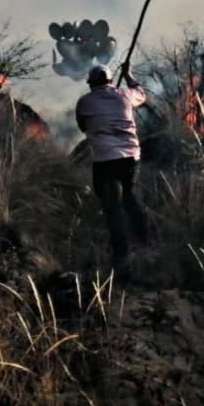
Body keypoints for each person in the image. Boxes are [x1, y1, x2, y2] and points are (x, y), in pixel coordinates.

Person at [76, 63, 150, 268]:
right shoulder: (125, 94)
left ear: (91, 84)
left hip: (105, 159)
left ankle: (121, 252)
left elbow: (83, 126)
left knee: (112, 205)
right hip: (130, 156)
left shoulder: (84, 102)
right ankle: (144, 240)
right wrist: (127, 75)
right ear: (110, 81)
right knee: (129, 195)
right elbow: (141, 94)